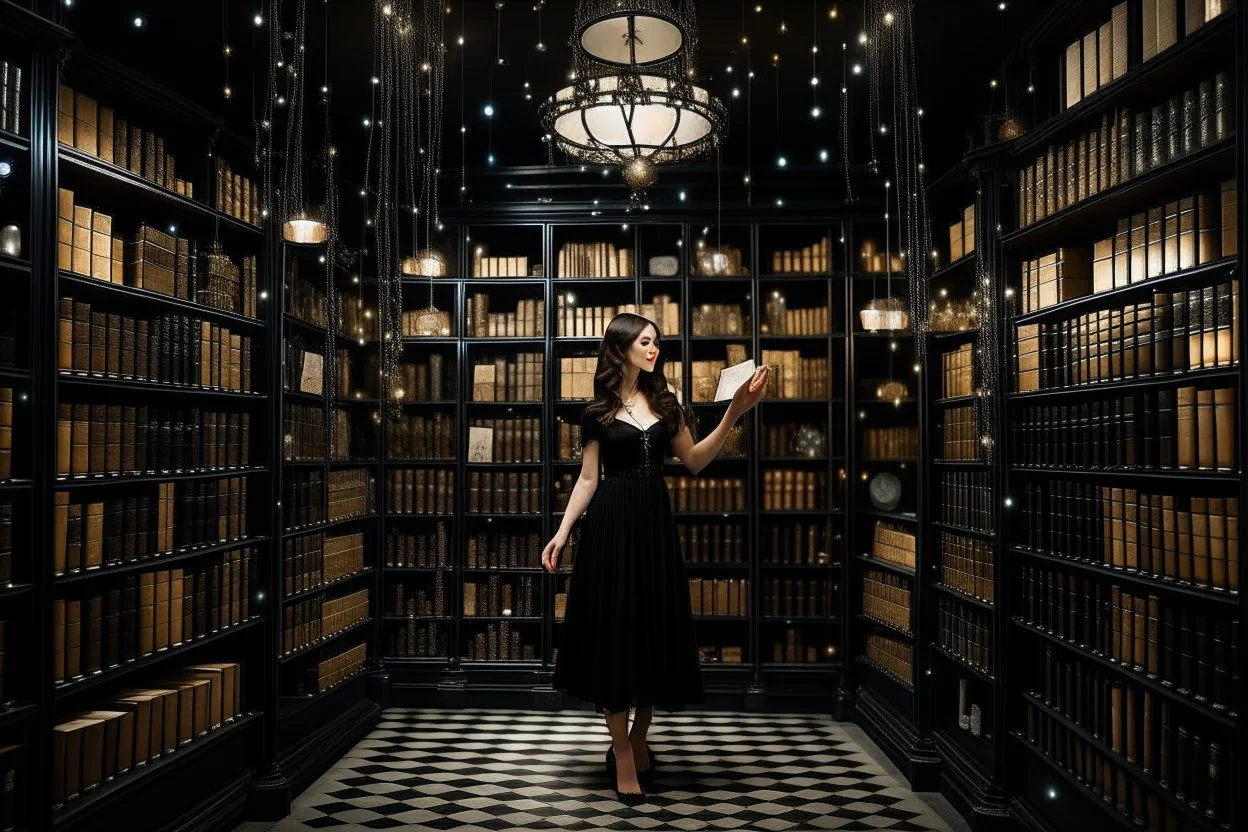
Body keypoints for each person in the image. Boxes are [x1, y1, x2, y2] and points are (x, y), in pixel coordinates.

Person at [542, 312, 768, 803]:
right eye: (645, 341)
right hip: (609, 526)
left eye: (657, 342)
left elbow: (695, 461)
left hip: (653, 527)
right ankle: (622, 752)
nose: (654, 349)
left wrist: (735, 412)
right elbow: (587, 479)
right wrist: (561, 533)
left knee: (652, 629)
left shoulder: (668, 405)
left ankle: (638, 738)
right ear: (621, 348)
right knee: (613, 632)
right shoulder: (595, 413)